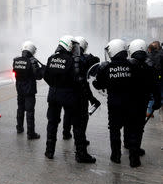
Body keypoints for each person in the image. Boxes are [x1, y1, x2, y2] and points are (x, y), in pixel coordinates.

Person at [43, 35, 96, 163]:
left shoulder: (51, 58)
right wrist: (90, 97)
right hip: (69, 96)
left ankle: (49, 151)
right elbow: (79, 80)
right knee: (78, 125)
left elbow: (46, 76)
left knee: (52, 123)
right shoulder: (72, 61)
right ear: (68, 45)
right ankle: (81, 154)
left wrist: (55, 86)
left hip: (53, 95)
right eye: (73, 46)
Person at [93, 39, 142, 167]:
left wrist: (95, 80)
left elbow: (99, 85)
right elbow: (140, 83)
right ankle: (134, 159)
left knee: (114, 130)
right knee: (132, 129)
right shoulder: (133, 65)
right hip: (131, 103)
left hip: (114, 104)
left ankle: (116, 156)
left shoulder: (106, 67)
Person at [62, 36, 100, 144]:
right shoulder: (84, 59)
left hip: (67, 92)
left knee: (68, 113)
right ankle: (80, 140)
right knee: (82, 118)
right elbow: (94, 67)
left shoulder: (68, 58)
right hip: (81, 92)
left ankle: (66, 133)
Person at [127, 39, 161, 158]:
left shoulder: (127, 64)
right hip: (142, 100)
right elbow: (155, 85)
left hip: (129, 100)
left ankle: (128, 147)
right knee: (139, 127)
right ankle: (135, 152)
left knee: (130, 125)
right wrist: (157, 100)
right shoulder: (149, 66)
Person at [12, 41, 43, 139]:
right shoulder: (32, 61)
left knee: (20, 108)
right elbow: (38, 76)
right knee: (29, 111)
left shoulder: (16, 60)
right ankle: (31, 133)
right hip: (29, 90)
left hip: (19, 89)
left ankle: (19, 128)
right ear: (32, 50)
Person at [146, 41, 163, 119]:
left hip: (153, 77)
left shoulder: (148, 55)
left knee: (152, 94)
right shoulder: (161, 54)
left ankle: (149, 111)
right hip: (159, 76)